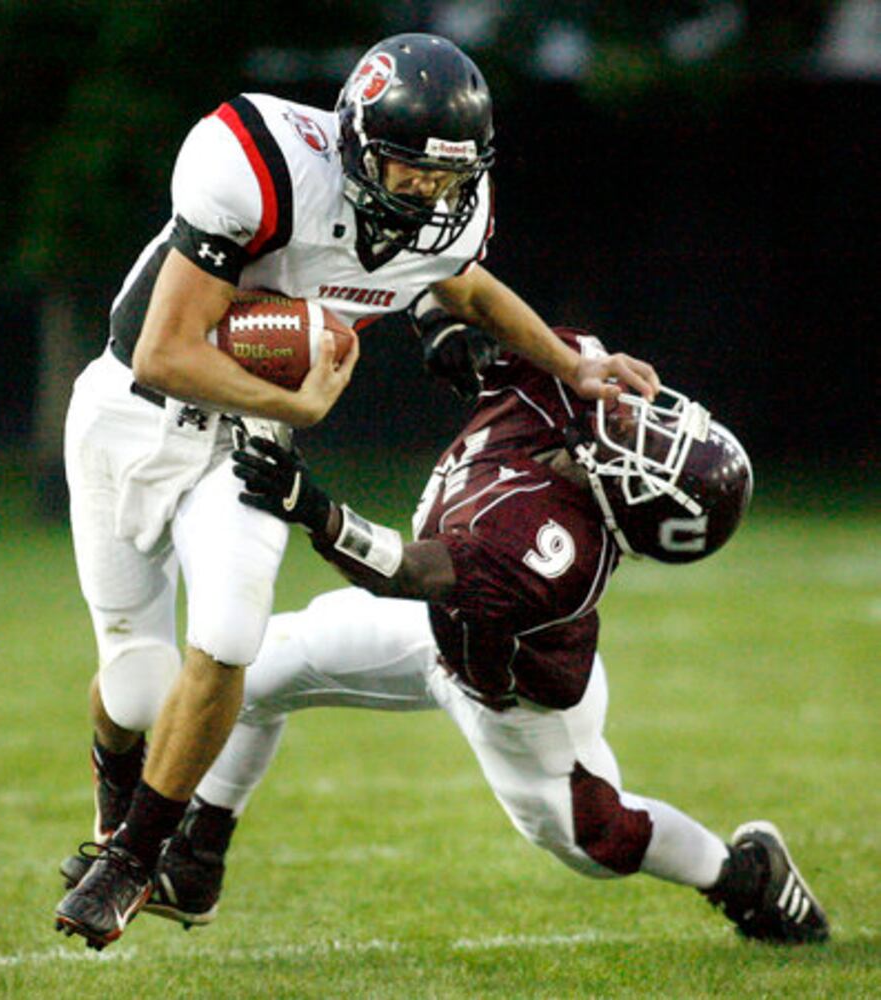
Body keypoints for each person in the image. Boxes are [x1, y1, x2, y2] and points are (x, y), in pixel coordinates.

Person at [54, 33, 660, 951]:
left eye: (442, 176)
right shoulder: (256, 163)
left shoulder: (449, 211)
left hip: (243, 445)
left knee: (230, 634)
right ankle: (114, 797)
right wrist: (295, 397)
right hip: (127, 413)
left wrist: (574, 367)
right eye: (405, 169)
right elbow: (164, 351)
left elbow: (467, 289)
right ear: (351, 141)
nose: (424, 192)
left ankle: (137, 859)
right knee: (138, 691)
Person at [134, 324, 829, 946]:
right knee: (248, 674)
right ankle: (195, 864)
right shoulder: (570, 388)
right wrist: (449, 325)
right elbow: (482, 305)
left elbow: (406, 572)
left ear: (637, 500)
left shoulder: (558, 551)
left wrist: (312, 509)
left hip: (514, 696)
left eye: (652, 449)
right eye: (659, 428)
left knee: (593, 840)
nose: (637, 423)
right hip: (440, 627)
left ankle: (743, 876)